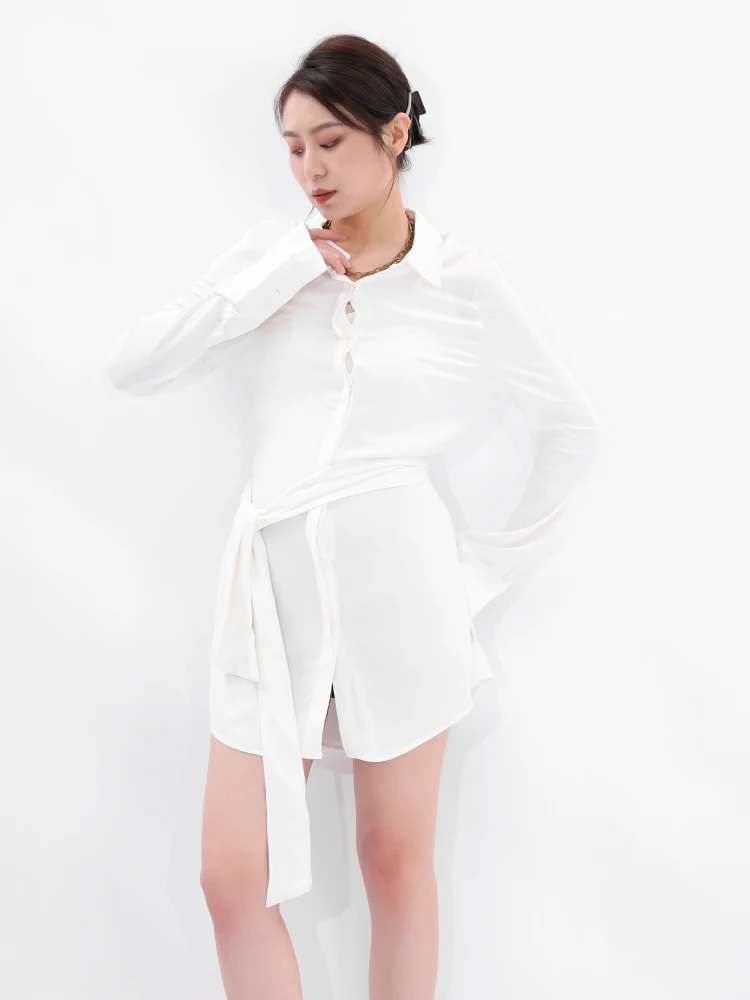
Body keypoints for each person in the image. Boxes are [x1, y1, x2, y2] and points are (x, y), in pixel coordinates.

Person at [105, 32, 601, 1000]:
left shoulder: (464, 280)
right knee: (230, 878)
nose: (310, 168)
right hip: (269, 603)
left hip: (402, 594)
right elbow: (136, 365)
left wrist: (472, 579)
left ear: (395, 133)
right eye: (293, 147)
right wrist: (277, 271)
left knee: (394, 860)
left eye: (329, 142)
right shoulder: (268, 259)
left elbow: (570, 430)